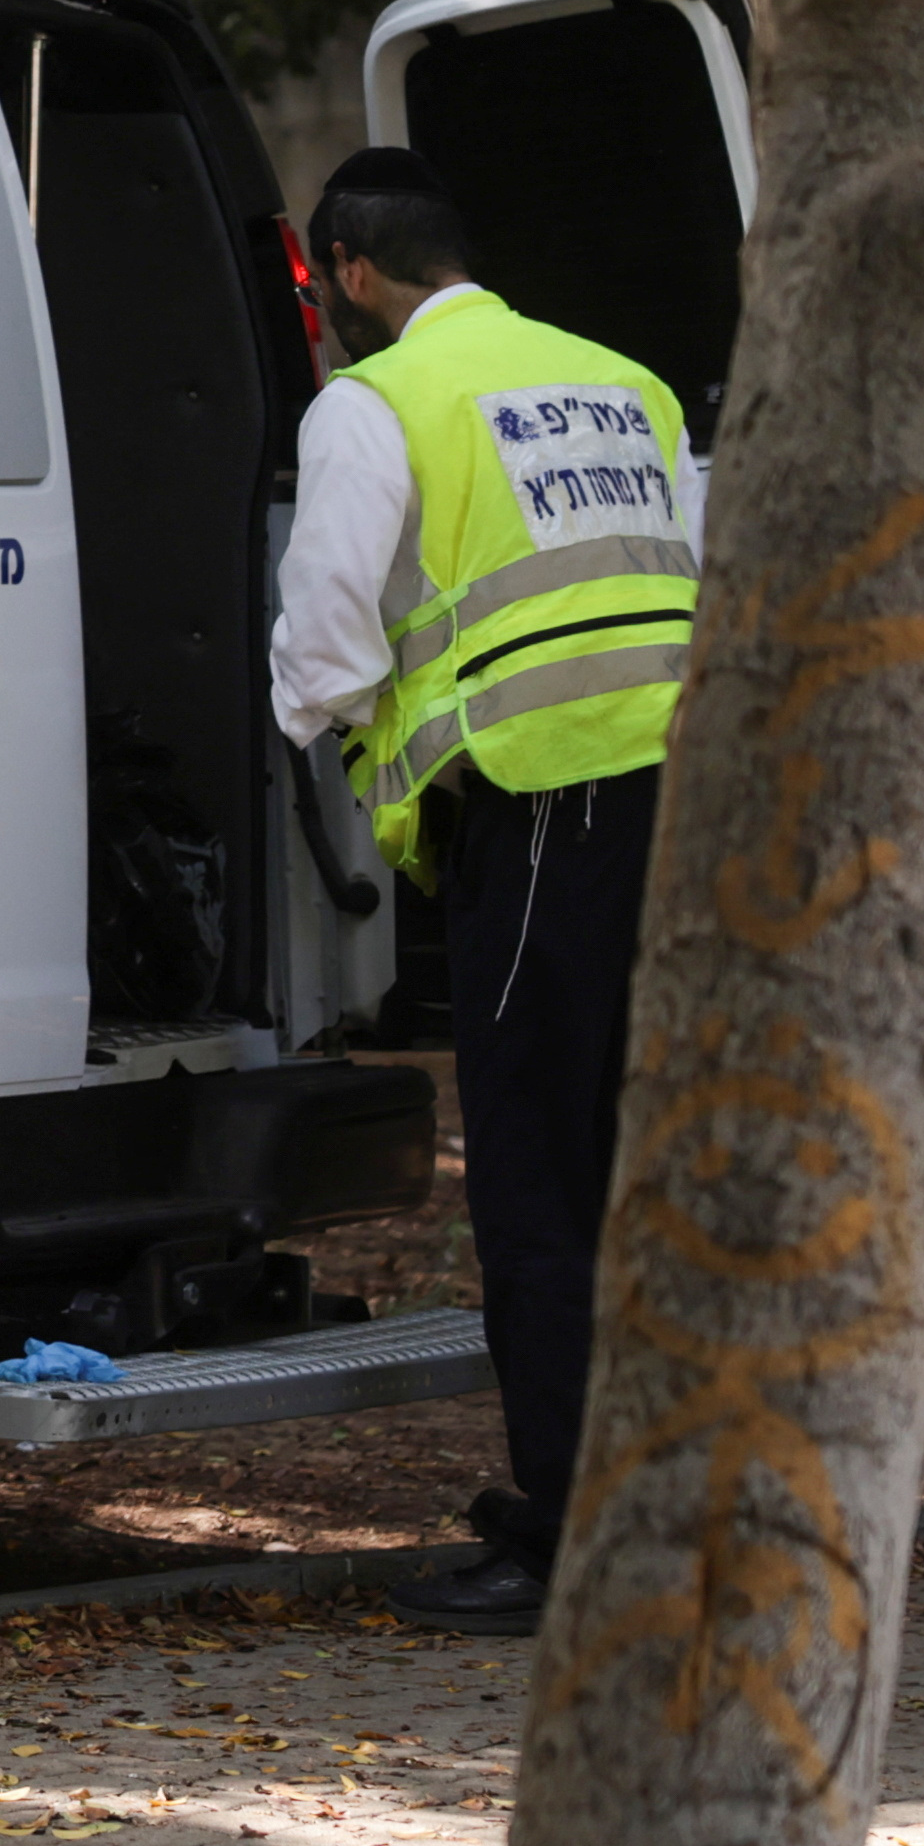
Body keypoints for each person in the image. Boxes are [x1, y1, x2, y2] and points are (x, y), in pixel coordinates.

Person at [268, 146, 701, 1642]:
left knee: (537, 1179)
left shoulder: (377, 403)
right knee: (647, 1169)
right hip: (684, 808)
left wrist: (318, 735)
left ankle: (574, 1539)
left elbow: (325, 641)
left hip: (538, 809)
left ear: (351, 272)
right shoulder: (623, 383)